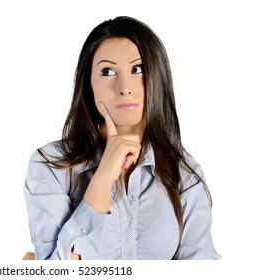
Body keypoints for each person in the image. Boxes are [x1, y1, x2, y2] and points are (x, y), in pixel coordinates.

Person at [23, 16, 220, 260]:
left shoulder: (184, 174)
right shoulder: (51, 166)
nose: (124, 87)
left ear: (158, 78)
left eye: (138, 69)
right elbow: (55, 271)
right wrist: (103, 177)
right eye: (108, 71)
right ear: (88, 85)